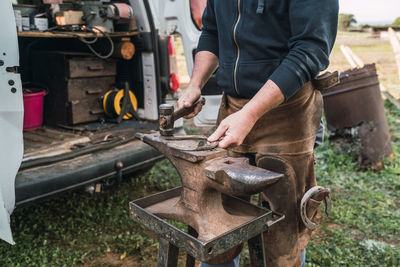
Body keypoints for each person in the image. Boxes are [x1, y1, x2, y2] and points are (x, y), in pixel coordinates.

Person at [178, 0, 339, 266]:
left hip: (287, 113)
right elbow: (212, 32)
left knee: (285, 225)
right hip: (233, 110)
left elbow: (311, 49)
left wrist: (251, 114)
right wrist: (196, 83)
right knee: (218, 219)